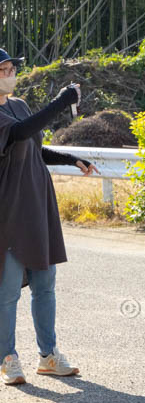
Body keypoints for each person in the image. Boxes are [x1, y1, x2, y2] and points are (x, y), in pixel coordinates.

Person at [1, 49, 96, 386]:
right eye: (4, 70)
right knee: (8, 291)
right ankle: (8, 358)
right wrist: (60, 102)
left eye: (12, 69)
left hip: (37, 207)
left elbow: (33, 146)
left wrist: (70, 158)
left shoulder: (19, 105)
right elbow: (20, 134)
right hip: (8, 213)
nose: (10, 74)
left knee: (45, 285)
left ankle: (49, 355)